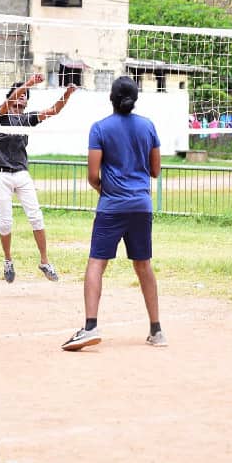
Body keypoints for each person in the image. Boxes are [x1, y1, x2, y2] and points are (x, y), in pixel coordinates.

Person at [62, 76, 164, 351]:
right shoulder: (148, 126)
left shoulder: (100, 128)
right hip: (141, 206)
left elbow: (93, 175)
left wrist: (106, 192)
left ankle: (91, 326)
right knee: (143, 265)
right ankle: (156, 330)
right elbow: (155, 170)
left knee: (97, 263)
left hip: (112, 207)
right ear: (135, 98)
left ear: (111, 97)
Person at [0, 73, 77, 283]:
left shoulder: (26, 119)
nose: (22, 97)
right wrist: (28, 83)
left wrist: (67, 94)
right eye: (19, 94)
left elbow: (54, 111)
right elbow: (9, 101)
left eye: (25, 95)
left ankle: (44, 261)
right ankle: (8, 260)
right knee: (5, 222)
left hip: (21, 173)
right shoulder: (1, 114)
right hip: (1, 174)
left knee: (36, 217)